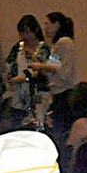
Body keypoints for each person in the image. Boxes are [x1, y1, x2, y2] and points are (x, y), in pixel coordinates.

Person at [29, 11, 77, 140]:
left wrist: (42, 66)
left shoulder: (64, 42)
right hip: (58, 93)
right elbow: (53, 68)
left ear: (57, 24)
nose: (44, 28)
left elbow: (65, 70)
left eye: (47, 24)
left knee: (60, 131)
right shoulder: (57, 44)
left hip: (64, 93)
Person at [4, 14, 50, 125]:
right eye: (23, 33)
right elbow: (9, 65)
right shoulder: (18, 47)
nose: (26, 36)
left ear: (35, 30)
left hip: (38, 92)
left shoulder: (44, 47)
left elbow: (49, 69)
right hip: (19, 93)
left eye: (28, 32)